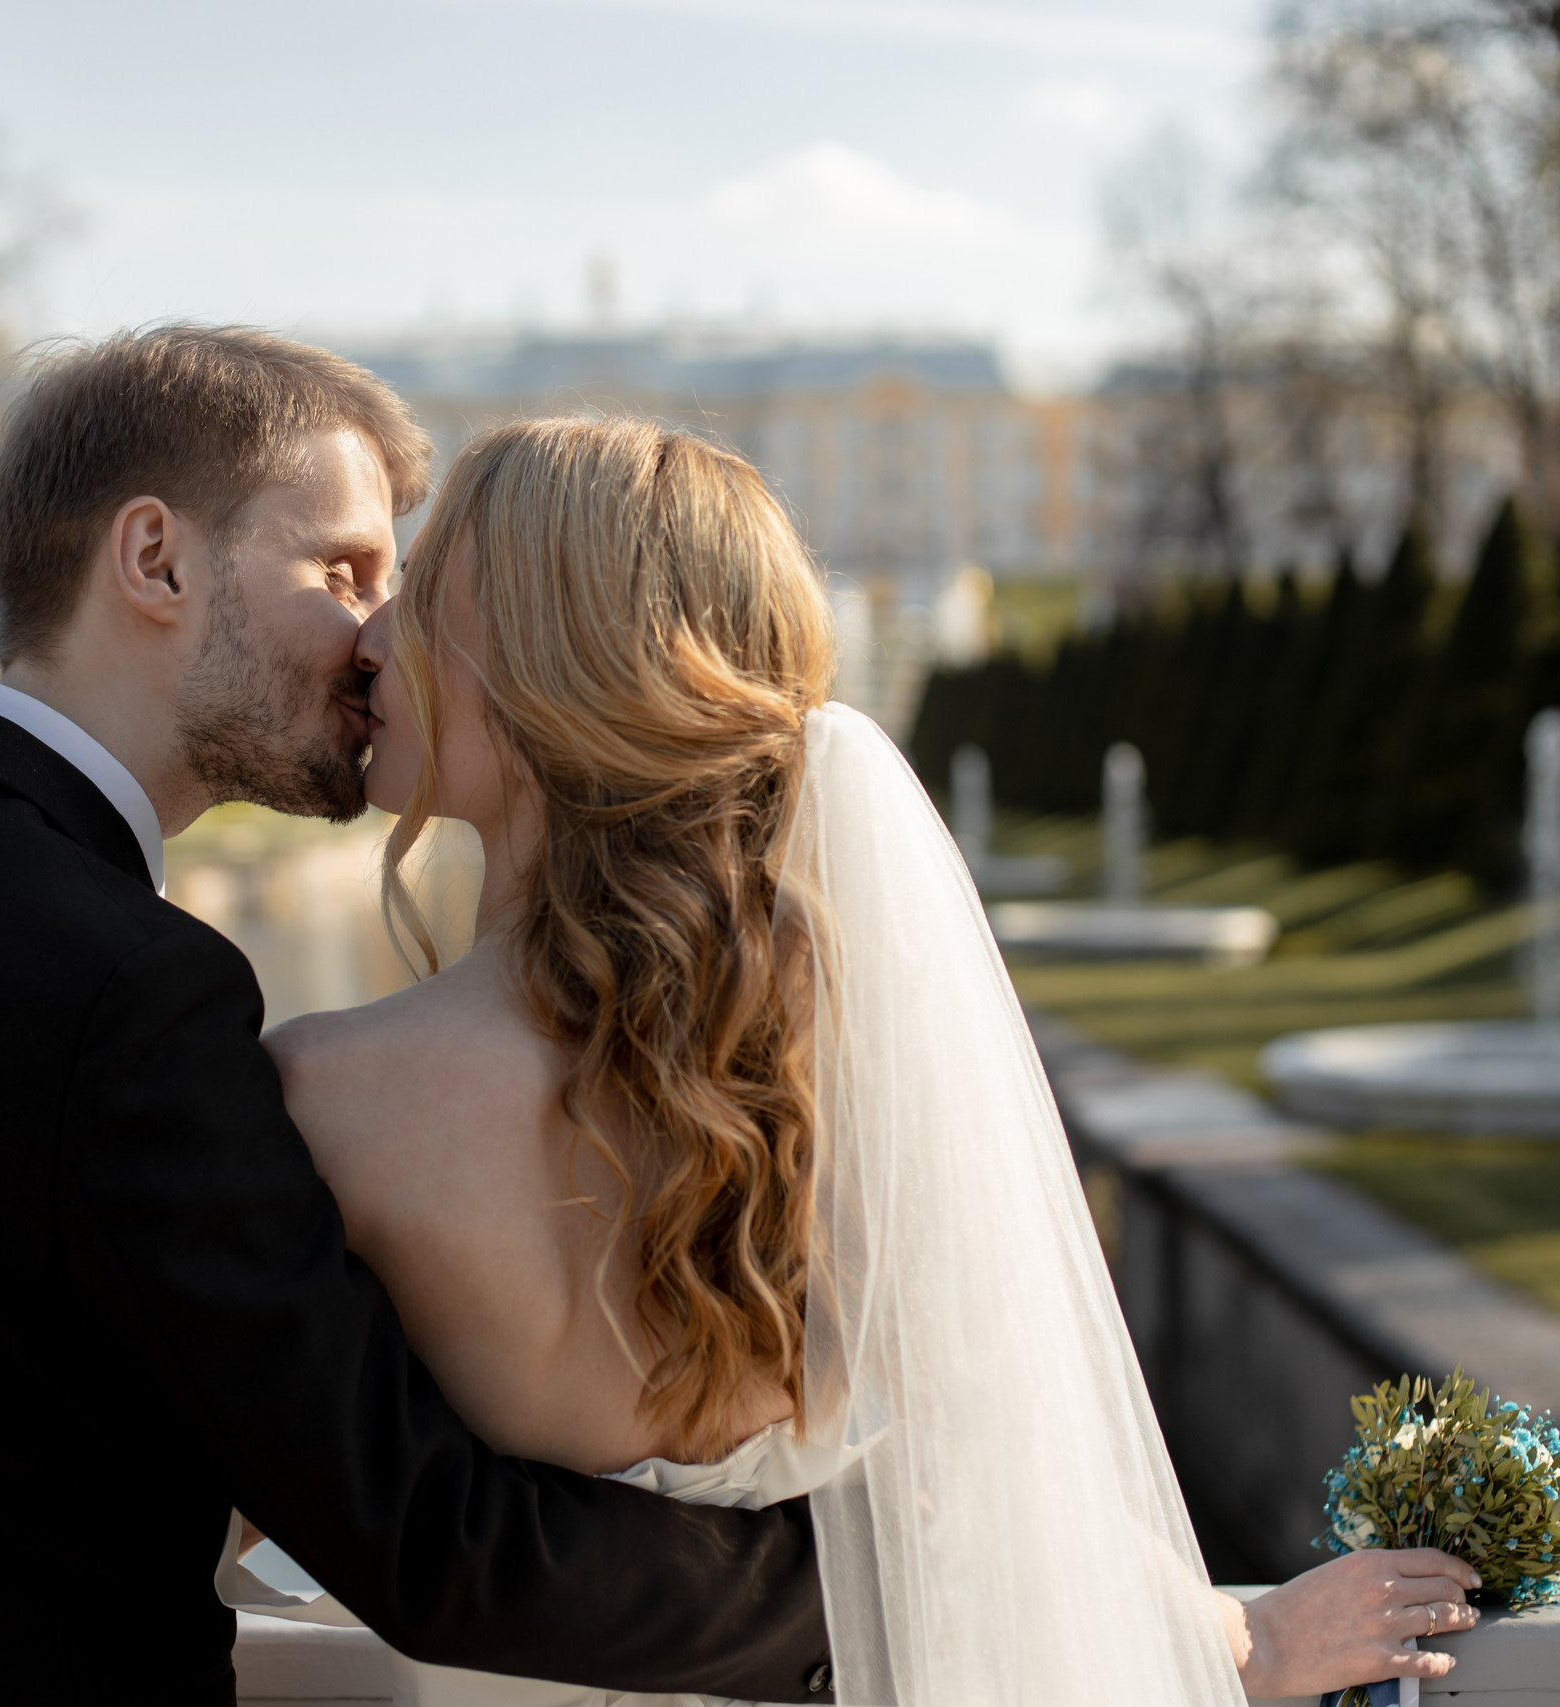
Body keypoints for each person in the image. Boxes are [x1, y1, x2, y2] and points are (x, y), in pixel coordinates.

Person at [0, 328, 838, 1703]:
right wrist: (864, 1582)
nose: (373, 637)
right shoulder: (137, 990)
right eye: (339, 569)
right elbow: (430, 1543)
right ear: (154, 560)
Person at [231, 414, 1487, 1704]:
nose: (371, 638)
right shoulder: (848, 1020)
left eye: (427, 600)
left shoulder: (324, 1095)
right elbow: (992, 1425)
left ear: (566, 666)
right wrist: (1230, 1638)